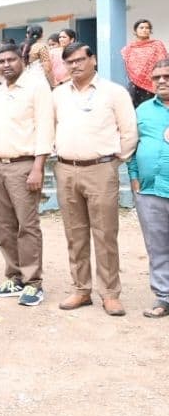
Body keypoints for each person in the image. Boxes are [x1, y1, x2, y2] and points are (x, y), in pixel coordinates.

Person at [52, 41, 138, 316]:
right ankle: (81, 289)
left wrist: (113, 161)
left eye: (79, 60)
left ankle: (110, 293)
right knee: (74, 234)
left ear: (93, 60)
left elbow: (129, 131)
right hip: (66, 169)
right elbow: (51, 126)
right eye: (69, 62)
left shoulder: (114, 93)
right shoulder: (58, 94)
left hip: (101, 169)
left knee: (105, 234)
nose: (74, 66)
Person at [0, 42, 54, 307]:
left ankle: (33, 282)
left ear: (21, 60)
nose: (6, 65)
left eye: (11, 60)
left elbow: (45, 127)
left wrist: (38, 167)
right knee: (4, 226)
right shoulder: (0, 90)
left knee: (27, 226)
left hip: (25, 165)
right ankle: (14, 277)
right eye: (1, 61)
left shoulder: (37, 87)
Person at [129, 57, 169, 319]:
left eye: (167, 76)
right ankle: (164, 297)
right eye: (157, 78)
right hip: (150, 190)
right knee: (157, 247)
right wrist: (133, 177)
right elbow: (132, 146)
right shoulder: (142, 110)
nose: (162, 81)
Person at [121, 19, 168, 108]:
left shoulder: (157, 45)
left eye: (147, 28)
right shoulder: (128, 49)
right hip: (135, 85)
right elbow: (130, 67)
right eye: (141, 28)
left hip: (154, 82)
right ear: (135, 31)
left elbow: (163, 63)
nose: (144, 30)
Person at [20, 24, 54, 89]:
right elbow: (47, 68)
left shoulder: (24, 47)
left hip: (26, 81)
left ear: (27, 35)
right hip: (39, 81)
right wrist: (53, 84)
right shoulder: (42, 47)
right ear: (42, 35)